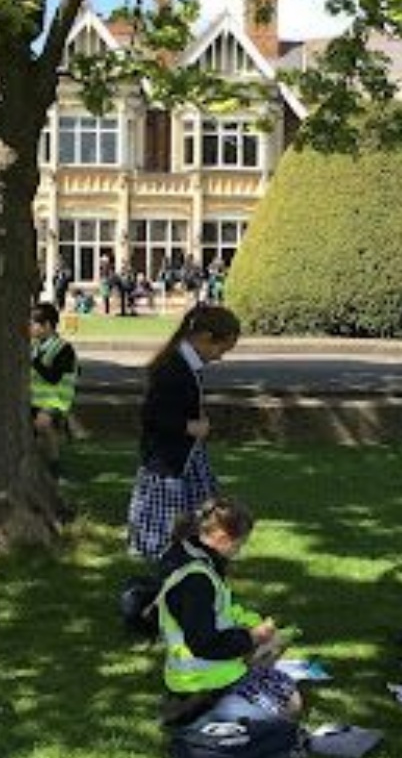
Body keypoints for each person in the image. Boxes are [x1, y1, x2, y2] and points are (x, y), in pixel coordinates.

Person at [155, 496, 302, 726]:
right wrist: (252, 637)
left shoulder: (198, 561)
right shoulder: (196, 581)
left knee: (285, 683)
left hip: (213, 673)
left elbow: (224, 610)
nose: (240, 552)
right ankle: (200, 714)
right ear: (223, 539)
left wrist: (255, 625)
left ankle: (208, 712)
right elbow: (205, 644)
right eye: (240, 544)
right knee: (287, 710)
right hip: (205, 683)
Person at [127, 304, 240, 560]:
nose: (220, 357)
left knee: (199, 513)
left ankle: (191, 553)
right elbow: (152, 416)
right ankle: (169, 561)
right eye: (221, 349)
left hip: (185, 456)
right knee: (168, 521)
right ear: (204, 338)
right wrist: (189, 426)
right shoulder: (173, 368)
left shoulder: (188, 366)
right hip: (168, 461)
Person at [29, 302, 79, 480]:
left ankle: (54, 467)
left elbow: (53, 378)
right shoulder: (34, 346)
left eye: (33, 323)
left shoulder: (64, 348)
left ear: (47, 325)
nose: (30, 327)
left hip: (56, 401)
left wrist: (33, 361)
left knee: (42, 423)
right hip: (34, 400)